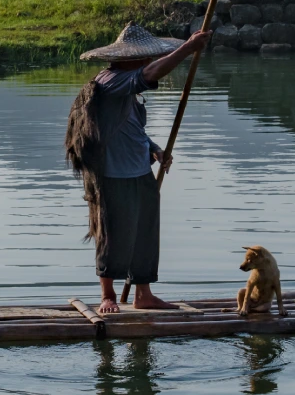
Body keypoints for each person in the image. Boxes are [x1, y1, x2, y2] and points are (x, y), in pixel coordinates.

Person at [65, 23, 212, 313]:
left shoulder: (127, 89)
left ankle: (143, 294)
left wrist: (154, 150)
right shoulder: (111, 80)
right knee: (112, 232)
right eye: (145, 57)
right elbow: (150, 74)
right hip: (112, 174)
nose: (148, 61)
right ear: (130, 58)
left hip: (139, 173)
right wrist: (187, 49)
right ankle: (107, 295)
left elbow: (131, 129)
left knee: (145, 232)